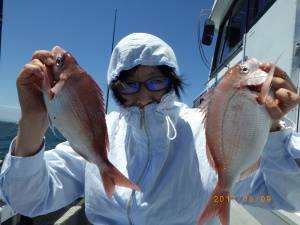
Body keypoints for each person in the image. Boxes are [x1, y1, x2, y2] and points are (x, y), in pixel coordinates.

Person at [1, 32, 300, 225]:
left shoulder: (205, 131)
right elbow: (29, 198)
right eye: (130, 84)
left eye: (156, 81)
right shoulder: (98, 132)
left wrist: (272, 130)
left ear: (173, 83)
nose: (143, 94)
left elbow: (283, 195)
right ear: (116, 87)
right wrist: (32, 123)